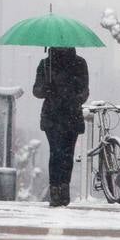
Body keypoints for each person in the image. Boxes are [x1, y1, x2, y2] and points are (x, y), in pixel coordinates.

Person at [33, 46, 90, 207]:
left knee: (66, 154)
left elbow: (85, 89)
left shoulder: (79, 63)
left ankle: (63, 188)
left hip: (71, 115)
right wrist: (46, 88)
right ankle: (56, 189)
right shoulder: (45, 64)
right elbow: (36, 90)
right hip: (53, 116)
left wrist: (75, 98)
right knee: (56, 152)